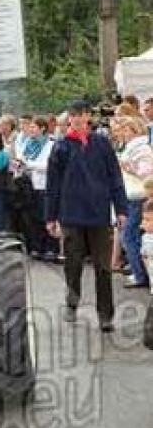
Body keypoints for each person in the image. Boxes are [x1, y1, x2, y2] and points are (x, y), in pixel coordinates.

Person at [46, 100, 128, 333]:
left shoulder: (102, 144)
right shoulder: (61, 147)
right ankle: (72, 303)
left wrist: (121, 209)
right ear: (69, 119)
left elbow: (115, 178)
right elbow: (53, 186)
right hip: (71, 215)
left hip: (99, 214)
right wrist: (51, 217)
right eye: (75, 116)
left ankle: (105, 315)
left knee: (103, 267)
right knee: (73, 263)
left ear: (88, 118)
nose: (80, 120)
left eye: (83, 115)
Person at [115, 116, 153, 289]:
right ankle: (139, 270)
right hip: (131, 195)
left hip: (137, 196)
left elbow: (147, 174)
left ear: (133, 130)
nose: (120, 132)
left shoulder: (141, 148)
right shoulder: (131, 147)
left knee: (130, 236)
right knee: (130, 236)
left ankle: (140, 274)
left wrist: (127, 167)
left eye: (124, 129)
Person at [19, 117, 57, 260]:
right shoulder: (28, 144)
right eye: (30, 127)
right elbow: (22, 159)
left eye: (34, 127)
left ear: (42, 129)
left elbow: (48, 166)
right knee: (33, 218)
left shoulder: (50, 144)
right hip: (29, 185)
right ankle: (36, 247)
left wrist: (29, 164)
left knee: (46, 217)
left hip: (44, 185)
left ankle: (50, 248)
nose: (31, 130)